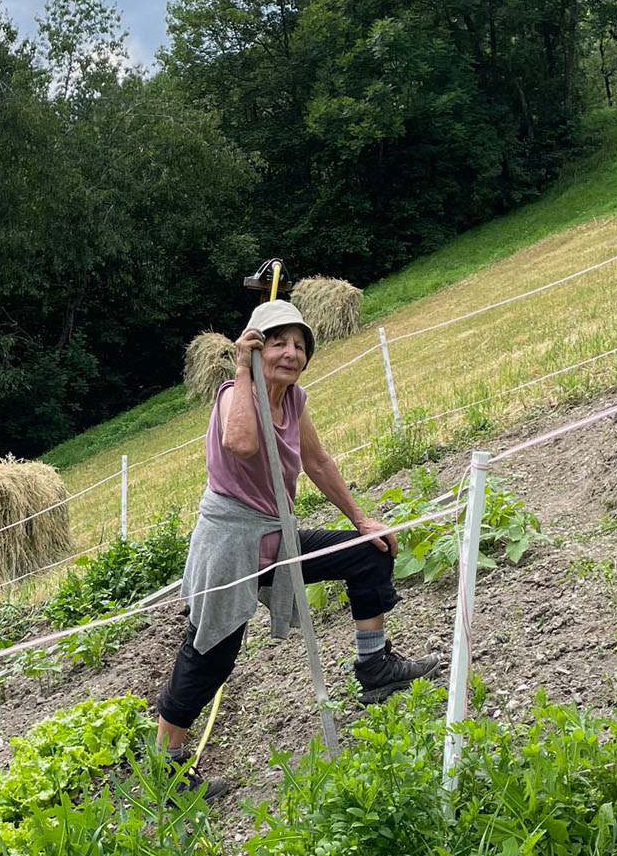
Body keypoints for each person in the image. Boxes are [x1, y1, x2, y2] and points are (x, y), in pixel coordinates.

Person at [155, 299, 441, 782]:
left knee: (366, 555)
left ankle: (374, 668)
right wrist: (244, 373)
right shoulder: (233, 394)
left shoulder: (294, 399)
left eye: (300, 345)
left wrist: (362, 519)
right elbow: (242, 442)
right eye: (278, 343)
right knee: (211, 652)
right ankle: (165, 767)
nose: (291, 353)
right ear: (255, 348)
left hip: (277, 534)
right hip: (230, 543)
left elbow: (319, 463)